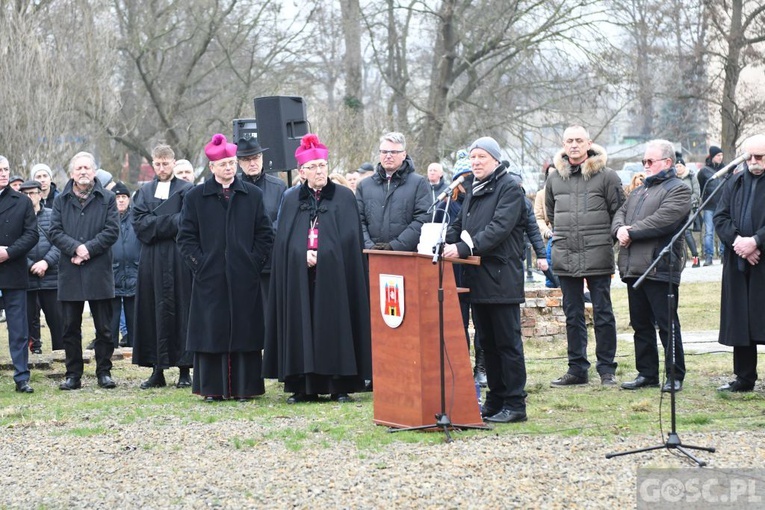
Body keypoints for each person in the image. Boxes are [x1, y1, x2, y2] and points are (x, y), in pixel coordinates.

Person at [264, 133, 372, 403]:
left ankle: (339, 385)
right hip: (299, 276)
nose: (319, 171)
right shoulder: (290, 200)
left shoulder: (344, 197)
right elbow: (284, 240)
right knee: (300, 323)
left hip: (335, 275)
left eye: (322, 165)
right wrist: (302, 255)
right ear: (302, 172)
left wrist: (323, 253)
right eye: (312, 167)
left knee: (335, 323)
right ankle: (302, 385)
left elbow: (349, 239)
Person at [177, 133, 274, 401]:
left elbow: (264, 234)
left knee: (245, 332)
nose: (229, 168)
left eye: (232, 163)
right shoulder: (196, 197)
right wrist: (201, 265)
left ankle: (246, 387)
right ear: (212, 167)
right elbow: (185, 237)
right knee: (211, 332)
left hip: (244, 276)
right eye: (223, 164)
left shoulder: (252, 195)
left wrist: (253, 262)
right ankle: (212, 388)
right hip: (210, 277)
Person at [443, 137, 528, 423]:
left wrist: (465, 248)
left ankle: (515, 403)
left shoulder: (510, 188)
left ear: (495, 159)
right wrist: (440, 240)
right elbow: (460, 225)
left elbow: (498, 228)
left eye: (481, 157)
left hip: (501, 276)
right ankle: (495, 399)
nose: (476, 162)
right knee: (486, 343)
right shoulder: (472, 187)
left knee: (507, 343)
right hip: (478, 276)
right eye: (473, 157)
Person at [545, 125, 624, 387]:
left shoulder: (607, 176)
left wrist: (604, 242)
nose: (574, 145)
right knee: (573, 314)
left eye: (579, 140)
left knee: (603, 313)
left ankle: (606, 370)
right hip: (565, 254)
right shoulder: (555, 178)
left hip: (597, 254)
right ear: (563, 144)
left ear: (589, 143)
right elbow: (552, 214)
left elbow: (619, 213)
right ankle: (577, 369)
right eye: (569, 141)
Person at [612, 140, 691, 392]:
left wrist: (630, 232)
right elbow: (619, 214)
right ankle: (646, 373)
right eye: (643, 162)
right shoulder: (638, 191)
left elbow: (663, 221)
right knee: (640, 324)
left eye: (650, 161)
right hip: (633, 267)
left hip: (660, 267)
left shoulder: (678, 189)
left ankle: (674, 374)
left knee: (667, 324)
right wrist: (620, 229)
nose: (645, 166)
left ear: (667, 162)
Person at [49, 151, 119, 390]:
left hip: (99, 270)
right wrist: (76, 249)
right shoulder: (60, 200)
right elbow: (55, 232)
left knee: (104, 328)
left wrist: (87, 249)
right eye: (78, 168)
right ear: (71, 173)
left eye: (87, 168)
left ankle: (104, 372)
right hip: (70, 271)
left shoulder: (108, 198)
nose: (83, 172)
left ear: (94, 171)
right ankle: (73, 374)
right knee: (69, 327)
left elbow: (111, 231)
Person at [132, 144, 194, 389]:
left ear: (174, 163)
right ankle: (156, 369)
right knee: (153, 311)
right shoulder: (145, 192)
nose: (161, 168)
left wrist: (157, 222)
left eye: (165, 163)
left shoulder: (187, 190)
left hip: (180, 260)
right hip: (153, 260)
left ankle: (184, 370)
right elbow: (140, 226)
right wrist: (169, 223)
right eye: (157, 163)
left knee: (183, 310)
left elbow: (188, 221)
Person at [714, 134, 765, 392]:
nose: (754, 162)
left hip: (762, 261)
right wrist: (740, 243)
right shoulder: (735, 180)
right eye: (749, 157)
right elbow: (720, 217)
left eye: (760, 157)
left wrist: (756, 241)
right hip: (738, 260)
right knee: (741, 319)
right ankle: (744, 377)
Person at [236, 136, 287, 318]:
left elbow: (282, 221)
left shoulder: (278, 186)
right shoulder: (232, 187)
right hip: (241, 262)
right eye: (247, 159)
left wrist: (259, 236)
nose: (252, 163)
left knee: (270, 315)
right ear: (239, 163)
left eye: (256, 157)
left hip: (270, 262)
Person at [0, 158, 39, 393]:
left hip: (13, 271)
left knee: (18, 328)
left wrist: (9, 252)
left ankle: (22, 376)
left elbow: (32, 234)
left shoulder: (22, 201)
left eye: (5, 170)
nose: (3, 174)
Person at [356, 132, 431, 251]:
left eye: (394, 152)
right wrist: (369, 247)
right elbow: (358, 220)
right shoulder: (364, 186)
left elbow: (423, 219)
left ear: (404, 154)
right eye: (384, 152)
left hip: (405, 257)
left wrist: (395, 246)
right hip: (370, 257)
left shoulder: (419, 183)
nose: (388, 156)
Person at [21, 180, 62, 354]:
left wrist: (46, 262)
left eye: (32, 193)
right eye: (26, 194)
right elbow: (15, 246)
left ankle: (61, 353)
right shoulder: (17, 219)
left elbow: (60, 243)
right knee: (29, 320)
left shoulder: (53, 215)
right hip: (27, 278)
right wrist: (31, 265)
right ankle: (34, 352)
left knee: (58, 320)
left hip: (52, 277)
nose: (29, 197)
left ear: (40, 194)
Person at [109, 182, 140, 349]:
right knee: (111, 318)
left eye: (123, 197)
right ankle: (111, 348)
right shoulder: (107, 218)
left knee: (134, 317)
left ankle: (136, 348)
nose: (120, 200)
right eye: (117, 197)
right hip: (112, 274)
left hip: (134, 273)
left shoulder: (136, 217)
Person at [697, 145, 725, 266]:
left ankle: (724, 255)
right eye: (718, 155)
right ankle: (709, 256)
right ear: (713, 156)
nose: (721, 157)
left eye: (722, 155)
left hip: (723, 205)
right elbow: (701, 187)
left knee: (723, 231)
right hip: (709, 206)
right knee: (709, 232)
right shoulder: (704, 171)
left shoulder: (725, 169)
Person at [675, 158, 701, 268]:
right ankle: (680, 260)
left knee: (687, 233)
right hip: (676, 210)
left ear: (684, 167)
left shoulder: (691, 177)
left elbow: (696, 193)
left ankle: (696, 258)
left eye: (680, 166)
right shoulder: (673, 179)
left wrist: (688, 202)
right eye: (676, 166)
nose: (678, 168)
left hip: (689, 209)